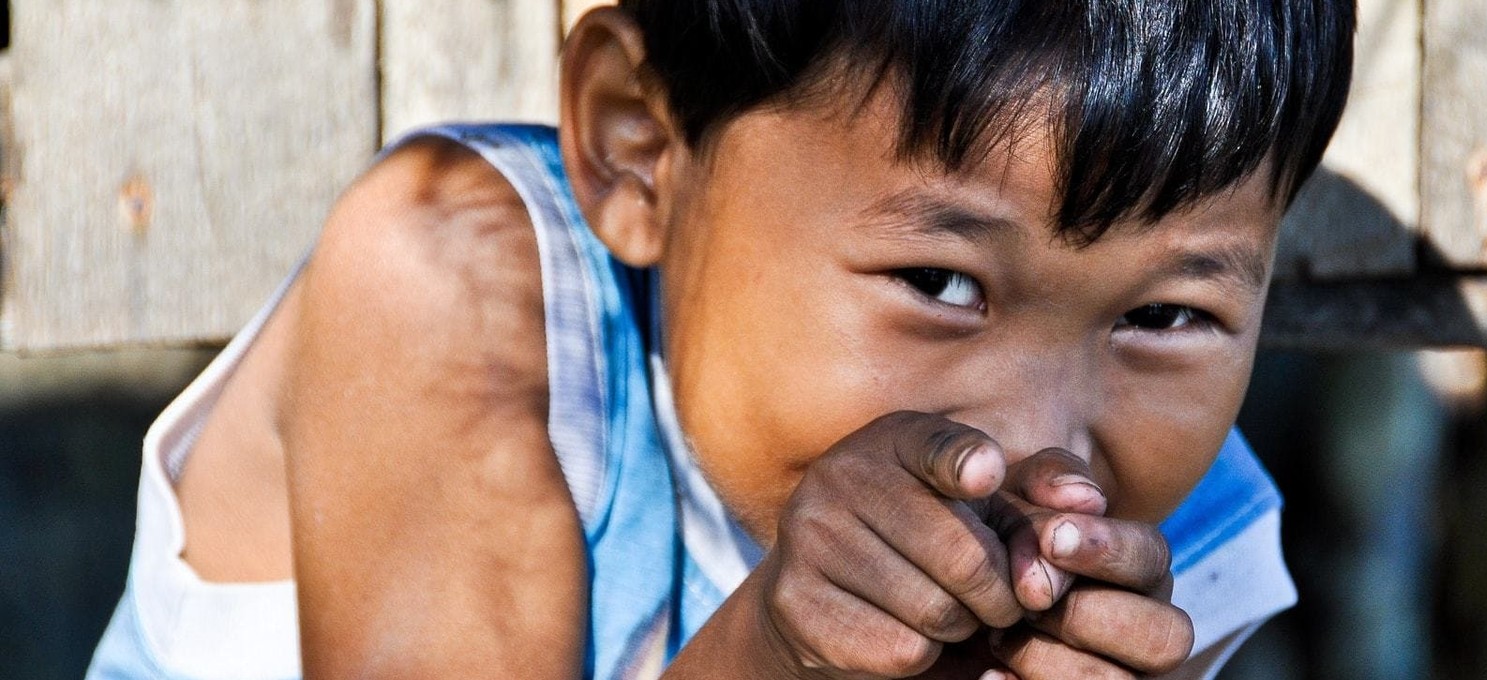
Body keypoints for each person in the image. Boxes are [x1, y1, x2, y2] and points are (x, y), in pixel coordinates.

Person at [87, 1, 1353, 678]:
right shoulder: (458, 294)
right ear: (639, 143)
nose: (1035, 441)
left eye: (1166, 314)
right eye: (939, 281)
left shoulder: (1173, 536)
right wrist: (774, 658)